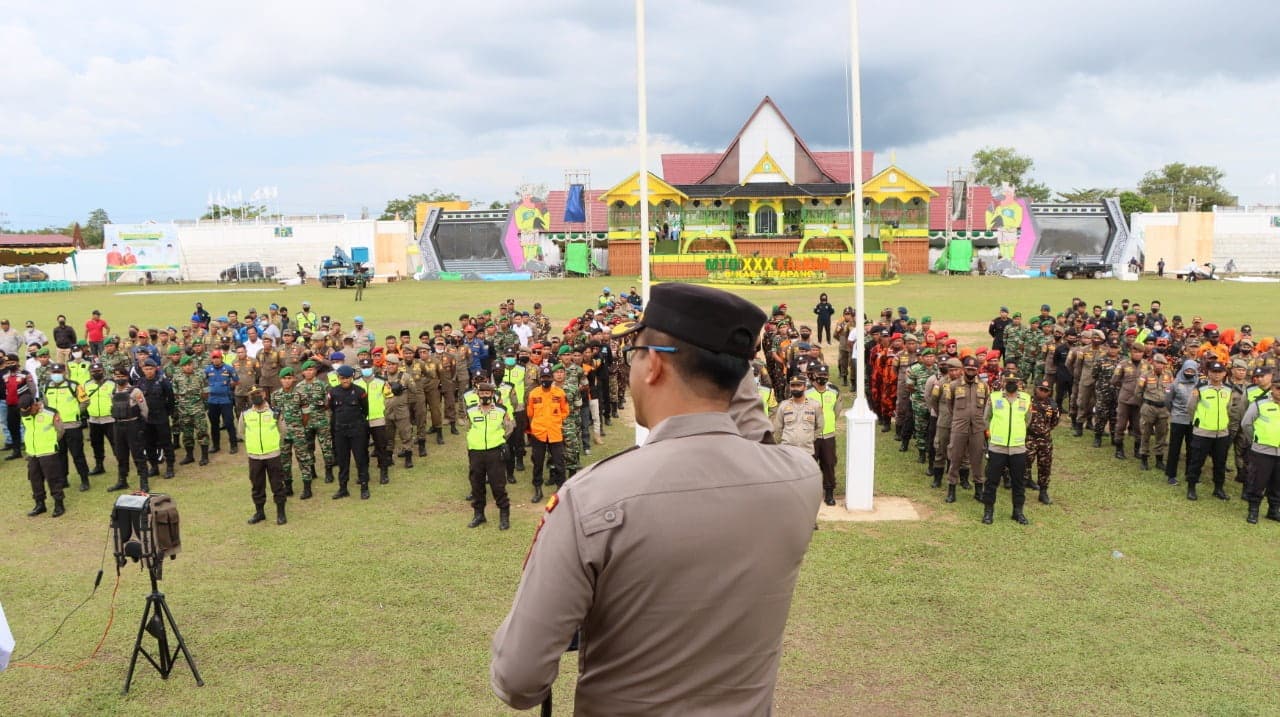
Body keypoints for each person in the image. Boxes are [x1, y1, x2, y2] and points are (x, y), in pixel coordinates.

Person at [491, 282, 820, 714]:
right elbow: (754, 437)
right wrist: (731, 356)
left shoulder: (590, 498)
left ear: (653, 367)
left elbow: (520, 682)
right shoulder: (798, 479)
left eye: (635, 353)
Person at [465, 382, 515, 529]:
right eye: (482, 393)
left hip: (494, 452)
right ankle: (479, 515)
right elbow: (468, 428)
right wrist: (472, 442)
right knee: (477, 484)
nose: (485, 396)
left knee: (498, 485)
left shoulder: (501, 410)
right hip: (476, 452)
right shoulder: (470, 410)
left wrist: (500, 440)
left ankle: (504, 516)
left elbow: (509, 427)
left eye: (488, 393)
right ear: (478, 394)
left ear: (493, 394)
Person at [983, 376, 1032, 525]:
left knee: (1018, 482)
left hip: (1017, 448)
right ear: (1003, 382)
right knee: (992, 481)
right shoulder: (994, 397)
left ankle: (1018, 512)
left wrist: (1019, 433)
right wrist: (991, 436)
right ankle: (988, 512)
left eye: (1014, 381)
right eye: (1008, 381)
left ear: (1019, 383)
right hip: (997, 446)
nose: (1011, 383)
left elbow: (1027, 419)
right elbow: (986, 418)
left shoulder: (1026, 398)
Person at [238, 387, 288, 525]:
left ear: (264, 394)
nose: (256, 396)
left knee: (277, 485)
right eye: (253, 395)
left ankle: (281, 513)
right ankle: (260, 513)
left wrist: (275, 444)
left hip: (273, 455)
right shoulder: (245, 413)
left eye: (258, 393)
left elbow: (283, 431)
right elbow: (241, 432)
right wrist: (252, 446)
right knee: (257, 486)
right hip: (254, 457)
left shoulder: (275, 412)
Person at [1185, 361, 1232, 501]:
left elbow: (1228, 409)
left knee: (1220, 463)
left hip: (1222, 433)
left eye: (1219, 372)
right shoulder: (1200, 388)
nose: (1216, 375)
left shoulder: (1228, 389)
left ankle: (1218, 488)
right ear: (1208, 373)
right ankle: (1191, 488)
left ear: (1224, 373)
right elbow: (1190, 407)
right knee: (1196, 461)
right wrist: (1199, 422)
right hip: (1203, 432)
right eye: (1213, 372)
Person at [41, 363, 90, 492]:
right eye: (54, 372)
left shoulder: (73, 385)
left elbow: (85, 401)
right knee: (60, 455)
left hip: (72, 425)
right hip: (56, 427)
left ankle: (84, 479)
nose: (56, 375)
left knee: (77, 454)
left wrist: (76, 413)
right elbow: (45, 404)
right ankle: (64, 479)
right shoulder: (47, 386)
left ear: (64, 372)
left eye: (59, 372)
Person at [525, 364, 568, 504]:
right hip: (538, 433)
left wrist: (557, 421)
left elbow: (565, 410)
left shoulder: (559, 393)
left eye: (548, 377)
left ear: (552, 378)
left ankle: (561, 489)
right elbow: (530, 412)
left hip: (555, 433)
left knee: (559, 462)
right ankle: (537, 489)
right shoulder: (534, 394)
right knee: (537, 462)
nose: (546, 379)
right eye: (543, 377)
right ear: (540, 378)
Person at [327, 364, 370, 500]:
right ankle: (343, 488)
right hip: (341, 431)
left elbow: (365, 410)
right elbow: (333, 410)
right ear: (339, 378)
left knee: (360, 459)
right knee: (342, 461)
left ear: (352, 377)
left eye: (347, 378)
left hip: (357, 430)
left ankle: (364, 487)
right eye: (342, 378)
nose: (345, 381)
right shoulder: (333, 392)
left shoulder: (359, 391)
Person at [19, 394, 67, 517]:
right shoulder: (25, 413)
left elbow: (60, 430)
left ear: (34, 404)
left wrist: (51, 442)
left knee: (53, 478)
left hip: (48, 451)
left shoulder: (50, 413)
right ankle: (40, 504)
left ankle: (58, 503)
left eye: (29, 410)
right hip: (32, 453)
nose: (27, 414)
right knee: (34, 478)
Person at [1241, 380, 1280, 523]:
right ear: (1273, 388)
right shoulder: (1259, 403)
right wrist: (1256, 439)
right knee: (1257, 482)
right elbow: (1246, 423)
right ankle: (1253, 511)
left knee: (1277, 483)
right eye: (1278, 388)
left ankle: (1273, 510)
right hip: (1262, 451)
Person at [107, 366, 149, 493]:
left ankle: (144, 481)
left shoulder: (135, 391)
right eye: (117, 377)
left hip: (132, 425)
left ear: (127, 377)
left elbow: (145, 410)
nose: (119, 379)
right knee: (121, 455)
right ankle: (122, 480)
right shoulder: (113, 392)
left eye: (122, 377)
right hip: (118, 426)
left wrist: (140, 426)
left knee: (138, 454)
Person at [806, 365, 839, 505]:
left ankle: (829, 493)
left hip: (828, 435)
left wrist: (829, 422)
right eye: (820, 374)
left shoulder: (834, 392)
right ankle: (810, 494)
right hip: (811, 435)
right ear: (813, 375)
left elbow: (837, 410)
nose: (823, 377)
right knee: (810, 465)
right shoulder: (807, 393)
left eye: (825, 375)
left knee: (829, 464)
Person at [1026, 380, 1060, 505]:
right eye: (1041, 389)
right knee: (1025, 462)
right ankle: (1026, 481)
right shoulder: (1027, 401)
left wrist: (1043, 431)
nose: (1043, 392)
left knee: (1045, 466)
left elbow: (1054, 422)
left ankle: (1043, 492)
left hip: (1045, 440)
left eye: (1046, 390)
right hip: (1029, 438)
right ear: (1036, 389)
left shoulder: (1052, 405)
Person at [172, 355, 211, 467]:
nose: (188, 367)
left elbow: (206, 391)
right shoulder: (177, 377)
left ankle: (204, 457)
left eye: (190, 365)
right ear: (182, 366)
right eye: (186, 365)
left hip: (198, 409)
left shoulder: (200, 375)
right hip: (183, 411)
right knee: (187, 434)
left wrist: (201, 403)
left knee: (202, 432)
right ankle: (189, 456)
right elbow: (175, 393)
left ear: (192, 365)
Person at [1165, 359, 1199, 485]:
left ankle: (1190, 474)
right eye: (1187, 369)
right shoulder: (1175, 383)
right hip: (1178, 420)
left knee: (1192, 448)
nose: (1189, 372)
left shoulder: (1199, 383)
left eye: (1192, 370)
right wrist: (1174, 412)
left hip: (1192, 421)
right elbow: (1168, 401)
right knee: (1174, 448)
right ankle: (1171, 475)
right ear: (1183, 369)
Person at [205, 350, 239, 453]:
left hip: (225, 400)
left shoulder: (228, 368)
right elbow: (202, 381)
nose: (216, 360)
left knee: (229, 423)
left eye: (218, 357)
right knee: (214, 424)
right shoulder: (208, 370)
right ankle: (215, 446)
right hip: (212, 401)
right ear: (212, 359)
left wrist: (229, 387)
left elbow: (236, 380)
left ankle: (233, 445)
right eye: (214, 358)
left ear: (221, 358)